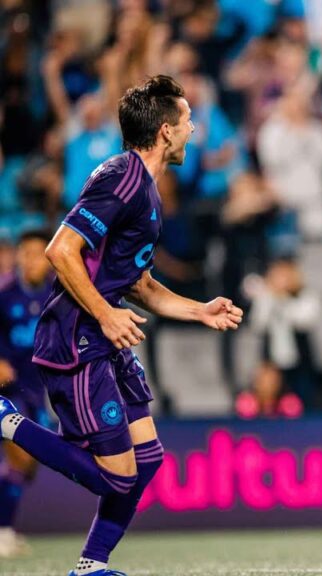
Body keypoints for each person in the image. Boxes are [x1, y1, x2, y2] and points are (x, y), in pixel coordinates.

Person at [0, 75, 244, 576]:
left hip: (103, 336)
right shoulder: (120, 179)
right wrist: (105, 314)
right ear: (164, 133)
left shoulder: (145, 188)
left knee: (147, 460)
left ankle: (92, 565)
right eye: (186, 121)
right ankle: (6, 418)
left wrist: (199, 309)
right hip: (77, 339)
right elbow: (60, 250)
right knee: (116, 479)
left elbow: (141, 285)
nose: (193, 129)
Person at [0, 229, 54, 557]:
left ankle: (6, 527)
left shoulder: (55, 294)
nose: (32, 260)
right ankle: (3, 531)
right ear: (19, 255)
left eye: (39, 254)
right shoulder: (5, 294)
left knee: (29, 465)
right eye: (27, 253)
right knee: (21, 457)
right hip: (8, 388)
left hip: (37, 390)